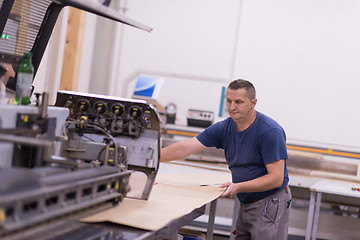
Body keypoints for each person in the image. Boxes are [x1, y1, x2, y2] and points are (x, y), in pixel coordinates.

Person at [160, 79, 292, 240]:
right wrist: (152, 158)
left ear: (253, 103)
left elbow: (276, 179)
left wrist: (238, 186)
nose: (232, 107)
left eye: (238, 102)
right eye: (228, 101)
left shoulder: (269, 131)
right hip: (247, 200)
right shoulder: (225, 128)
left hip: (270, 202)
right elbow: (185, 147)